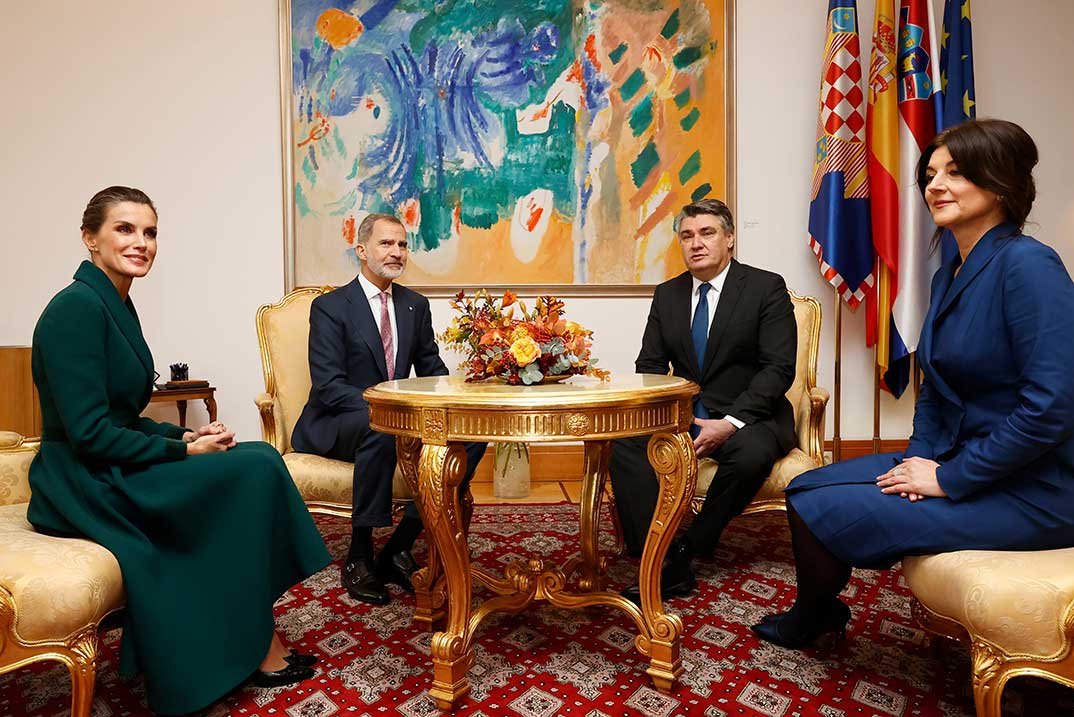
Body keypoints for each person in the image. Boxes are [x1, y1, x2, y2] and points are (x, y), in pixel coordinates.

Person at [753, 118, 1074, 649]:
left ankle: (811, 614)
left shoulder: (1028, 266)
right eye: (929, 174)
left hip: (1035, 489)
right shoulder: (951, 270)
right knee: (805, 486)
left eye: (955, 173)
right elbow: (936, 389)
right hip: (959, 459)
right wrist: (916, 461)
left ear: (999, 184)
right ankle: (820, 610)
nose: (934, 185)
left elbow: (1052, 408)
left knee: (826, 507)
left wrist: (949, 479)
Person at [27, 187, 332, 715]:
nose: (141, 243)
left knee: (258, 459)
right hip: (83, 478)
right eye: (125, 229)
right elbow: (90, 435)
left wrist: (183, 436)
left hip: (110, 461)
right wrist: (185, 456)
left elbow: (122, 416)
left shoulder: (115, 302)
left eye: (149, 232)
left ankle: (256, 637)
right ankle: (257, 644)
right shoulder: (74, 309)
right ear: (89, 238)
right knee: (254, 471)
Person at [291, 212, 486, 605]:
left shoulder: (415, 305)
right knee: (380, 426)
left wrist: (465, 393)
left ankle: (399, 545)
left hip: (390, 420)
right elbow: (329, 387)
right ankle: (359, 555)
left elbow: (431, 368)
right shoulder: (331, 306)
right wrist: (392, 409)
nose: (396, 252)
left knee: (474, 432)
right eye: (386, 243)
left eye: (402, 244)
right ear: (362, 250)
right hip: (337, 423)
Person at [611, 198, 798, 601]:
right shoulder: (668, 295)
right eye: (687, 236)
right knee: (624, 444)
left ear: (729, 239)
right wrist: (661, 415)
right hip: (685, 414)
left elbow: (778, 368)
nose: (696, 243)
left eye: (707, 233)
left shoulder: (765, 287)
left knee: (750, 455)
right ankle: (657, 560)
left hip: (750, 414)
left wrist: (731, 423)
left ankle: (691, 545)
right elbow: (650, 366)